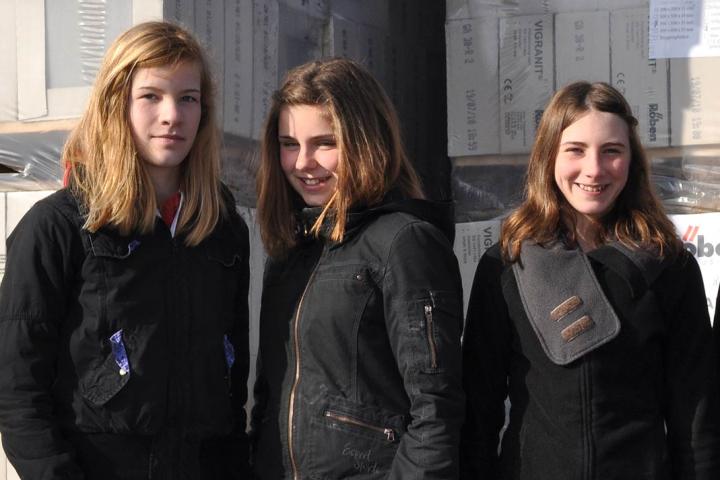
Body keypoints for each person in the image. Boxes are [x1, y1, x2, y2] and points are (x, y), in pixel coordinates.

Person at [0, 21, 250, 479]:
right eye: (151, 96)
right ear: (117, 104)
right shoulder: (57, 227)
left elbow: (234, 391)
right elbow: (17, 392)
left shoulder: (222, 230)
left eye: (188, 98)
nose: (173, 115)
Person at [460, 81, 720, 479]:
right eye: (575, 150)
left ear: (632, 161)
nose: (594, 169)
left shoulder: (670, 267)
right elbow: (479, 412)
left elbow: (696, 416)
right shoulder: (505, 266)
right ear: (549, 157)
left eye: (612, 151)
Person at [251, 57, 464, 479]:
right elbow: (271, 395)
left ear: (366, 141)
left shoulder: (405, 242)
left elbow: (436, 410)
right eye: (289, 143)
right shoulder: (291, 249)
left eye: (324, 143)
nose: (302, 162)